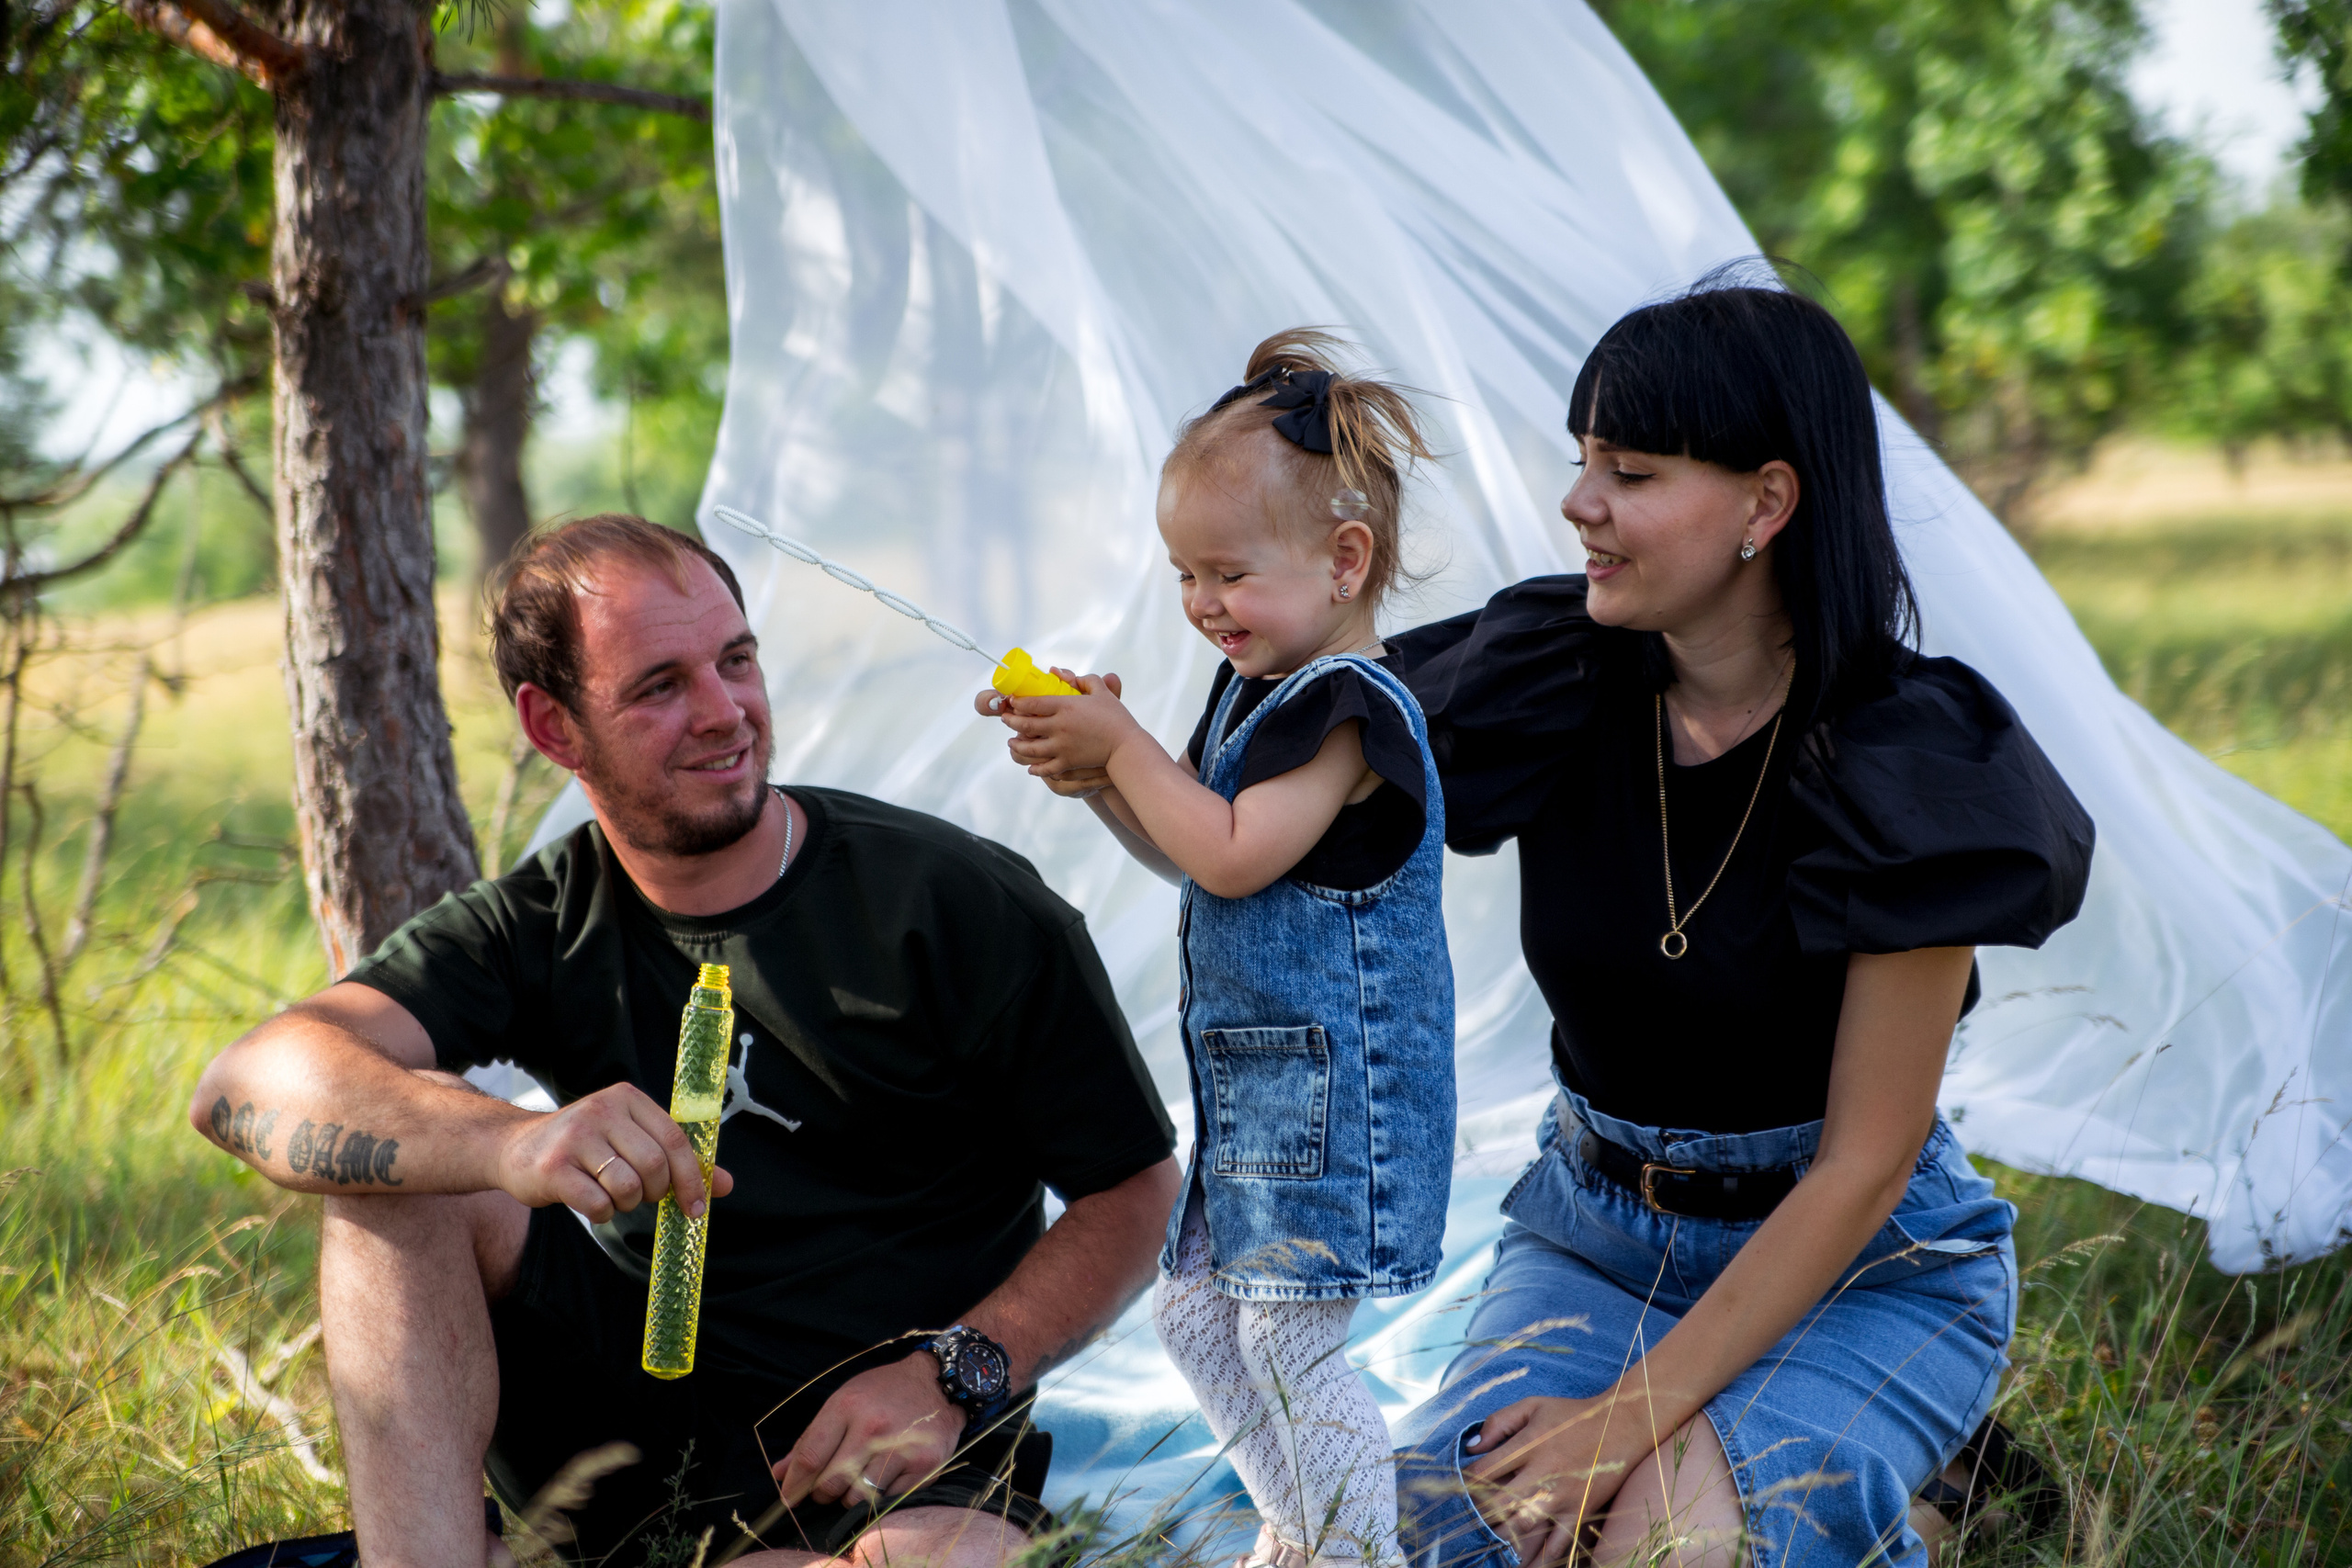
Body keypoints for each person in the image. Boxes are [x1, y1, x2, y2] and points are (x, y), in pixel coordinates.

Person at [189, 514, 1182, 1568]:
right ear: (554, 727)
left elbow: (1133, 1190)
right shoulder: (542, 919)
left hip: (885, 1456)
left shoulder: (957, 906)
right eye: (659, 686)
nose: (724, 713)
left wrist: (958, 1370)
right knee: (395, 1169)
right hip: (610, 1435)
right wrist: (507, 1144)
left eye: (736, 661)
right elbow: (241, 1084)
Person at [1382, 280, 2094, 1568]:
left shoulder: (1906, 768)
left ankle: (1912, 1478)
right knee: (1468, 1535)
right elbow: (1268, 820)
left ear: (1766, 503)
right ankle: (1903, 1492)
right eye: (1583, 459)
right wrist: (1115, 778)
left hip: (1865, 1260)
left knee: (1667, 1550)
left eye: (1633, 470)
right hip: (1596, 1239)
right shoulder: (1553, 674)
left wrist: (1629, 1418)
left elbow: (1863, 1162)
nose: (1579, 502)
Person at [983, 332, 1453, 1568]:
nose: (1201, 603)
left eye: (1228, 573)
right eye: (1186, 574)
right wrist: (1099, 775)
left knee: (1292, 1340)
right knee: (1197, 1318)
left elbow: (1239, 850)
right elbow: (1192, 847)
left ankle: (1358, 1549)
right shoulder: (1256, 691)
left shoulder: (1352, 710)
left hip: (1342, 1094)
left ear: (1344, 560)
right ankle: (1297, 1523)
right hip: (1257, 1082)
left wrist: (1127, 742)